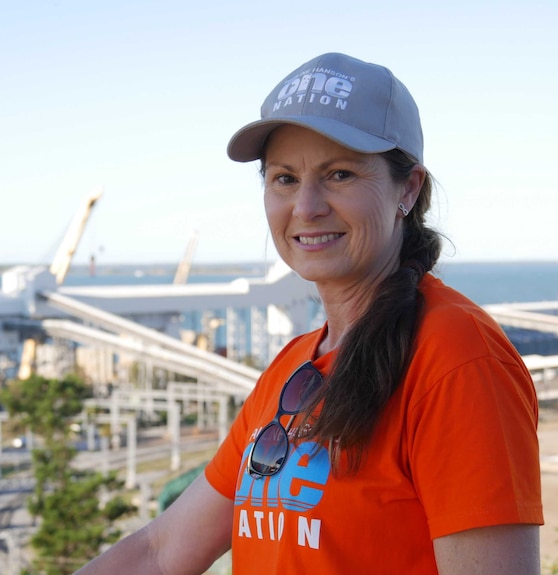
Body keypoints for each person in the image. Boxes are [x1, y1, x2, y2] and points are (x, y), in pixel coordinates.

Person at [75, 52, 543, 574]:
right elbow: (161, 553)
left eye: (339, 174)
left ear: (407, 188)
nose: (306, 206)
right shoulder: (291, 369)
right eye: (283, 179)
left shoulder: (456, 355)